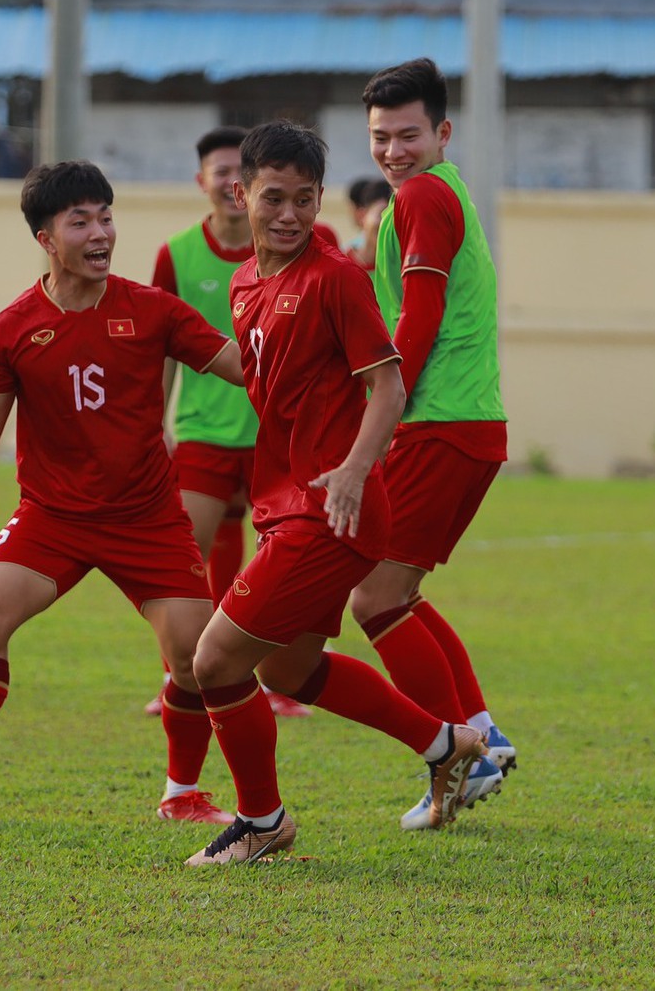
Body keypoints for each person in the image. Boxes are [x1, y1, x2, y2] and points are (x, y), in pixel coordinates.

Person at [0, 161, 248, 828]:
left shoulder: (153, 310)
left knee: (194, 658)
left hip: (147, 520)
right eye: (81, 220)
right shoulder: (11, 328)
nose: (100, 231)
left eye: (106, 216)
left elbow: (242, 367)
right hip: (53, 517)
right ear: (46, 238)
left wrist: (315, 336)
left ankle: (182, 794)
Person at [182, 120, 488, 865]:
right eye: (273, 198)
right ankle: (446, 744)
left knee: (214, 662)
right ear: (240, 192)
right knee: (287, 670)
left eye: (305, 200)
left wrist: (354, 469)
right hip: (286, 504)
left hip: (331, 510)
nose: (289, 215)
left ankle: (261, 822)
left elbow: (386, 386)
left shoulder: (335, 279)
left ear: (321, 200)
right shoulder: (246, 282)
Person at [358, 58, 512, 829]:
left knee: (374, 599)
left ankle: (462, 753)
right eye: (381, 137)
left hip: (438, 423)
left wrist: (376, 426)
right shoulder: (438, 194)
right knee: (400, 596)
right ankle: (482, 735)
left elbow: (417, 321)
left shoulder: (421, 195)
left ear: (443, 133)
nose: (393, 151)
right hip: (467, 424)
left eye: (408, 135)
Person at [145, 126, 308, 719]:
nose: (226, 181)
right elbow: (162, 348)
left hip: (277, 435)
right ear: (202, 182)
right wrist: (154, 423)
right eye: (216, 170)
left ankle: (271, 682)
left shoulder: (290, 248)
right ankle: (179, 680)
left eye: (235, 172)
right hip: (202, 432)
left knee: (281, 561)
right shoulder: (177, 253)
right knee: (182, 554)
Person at [343, 177, 392, 269]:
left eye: (395, 217)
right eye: (382, 214)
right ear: (362, 216)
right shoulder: (340, 265)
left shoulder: (401, 270)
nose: (389, 224)